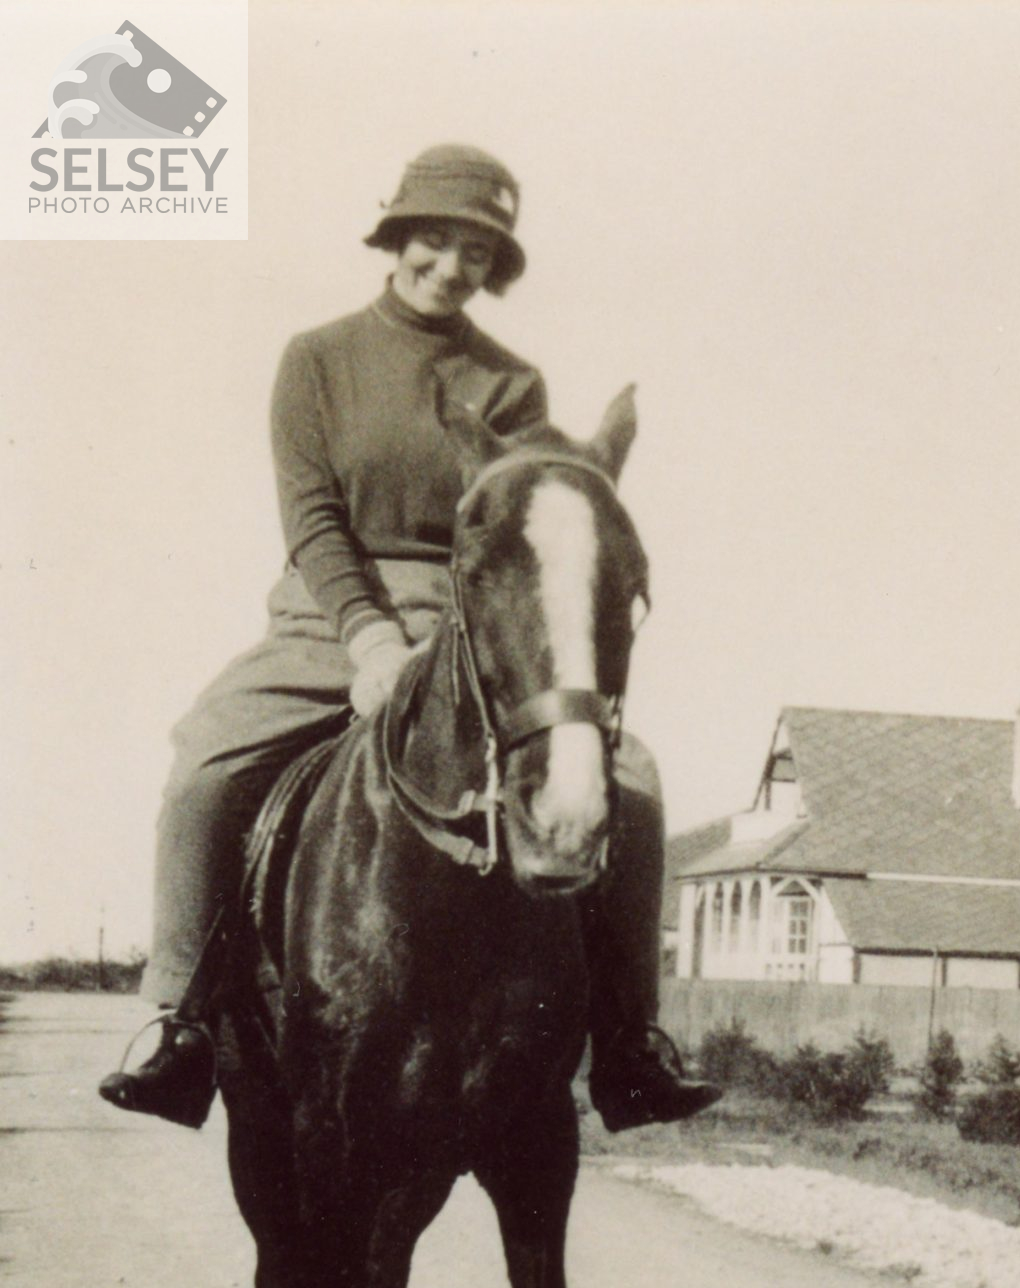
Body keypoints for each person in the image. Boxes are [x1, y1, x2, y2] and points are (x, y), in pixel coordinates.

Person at [99, 143, 718, 1134]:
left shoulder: (512, 381)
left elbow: (513, 531)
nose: (452, 263)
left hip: (469, 616)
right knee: (204, 765)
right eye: (436, 237)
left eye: (479, 250)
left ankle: (630, 1041)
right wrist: (371, 640)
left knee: (630, 780)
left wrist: (450, 637)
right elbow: (311, 518)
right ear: (396, 237)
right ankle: (181, 1021)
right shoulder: (315, 356)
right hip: (324, 612)